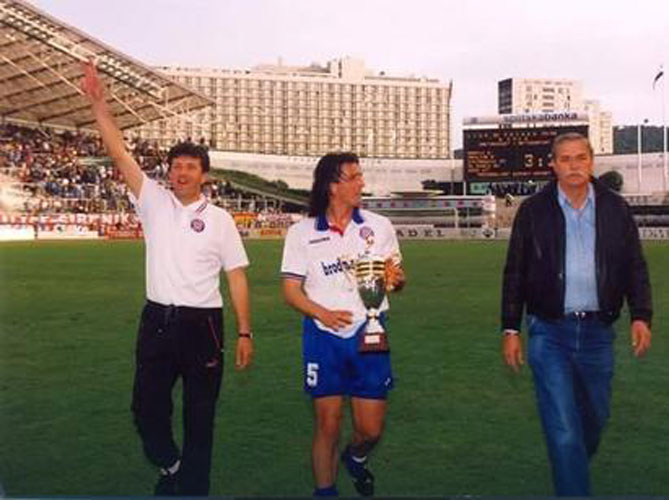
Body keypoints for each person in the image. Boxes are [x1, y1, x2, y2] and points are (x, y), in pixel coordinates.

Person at [81, 61, 254, 496]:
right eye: (176, 165)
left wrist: (244, 332)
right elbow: (120, 154)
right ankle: (171, 466)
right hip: (157, 321)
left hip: (203, 325)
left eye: (190, 166)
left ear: (204, 175)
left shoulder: (220, 220)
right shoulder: (152, 201)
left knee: (200, 417)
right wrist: (99, 105)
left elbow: (236, 277)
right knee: (146, 409)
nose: (181, 172)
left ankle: (192, 489)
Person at [501, 132, 652, 496]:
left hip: (599, 333)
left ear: (591, 161)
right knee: (564, 430)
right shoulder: (533, 210)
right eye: (565, 159)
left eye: (580, 157)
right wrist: (510, 329)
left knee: (594, 420)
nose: (573, 166)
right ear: (553, 165)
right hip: (549, 331)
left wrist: (640, 315)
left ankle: (571, 466)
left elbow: (634, 266)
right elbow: (515, 270)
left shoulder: (615, 209)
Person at [280, 152, 405, 497]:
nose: (362, 183)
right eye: (354, 177)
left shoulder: (379, 227)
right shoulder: (302, 232)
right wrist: (321, 313)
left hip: (370, 331)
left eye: (361, 176)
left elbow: (396, 278)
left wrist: (395, 279)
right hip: (323, 337)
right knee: (328, 423)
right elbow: (290, 291)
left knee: (371, 429)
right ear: (332, 186)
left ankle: (356, 456)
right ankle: (325, 492)